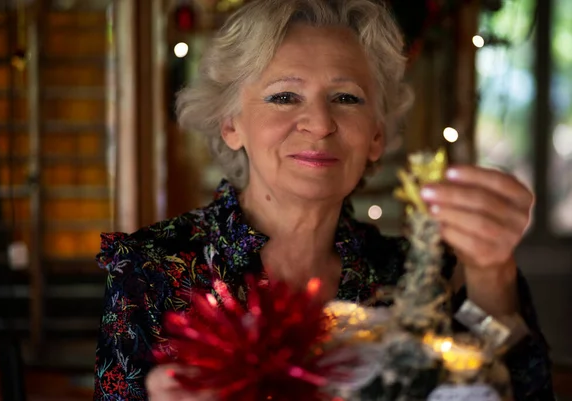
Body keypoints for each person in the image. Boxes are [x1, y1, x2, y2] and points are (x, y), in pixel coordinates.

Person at [93, 0, 554, 400]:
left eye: (346, 98)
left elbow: (511, 385)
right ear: (231, 124)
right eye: (285, 96)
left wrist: (492, 271)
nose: (319, 122)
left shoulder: (419, 276)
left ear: (376, 135)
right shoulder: (152, 272)